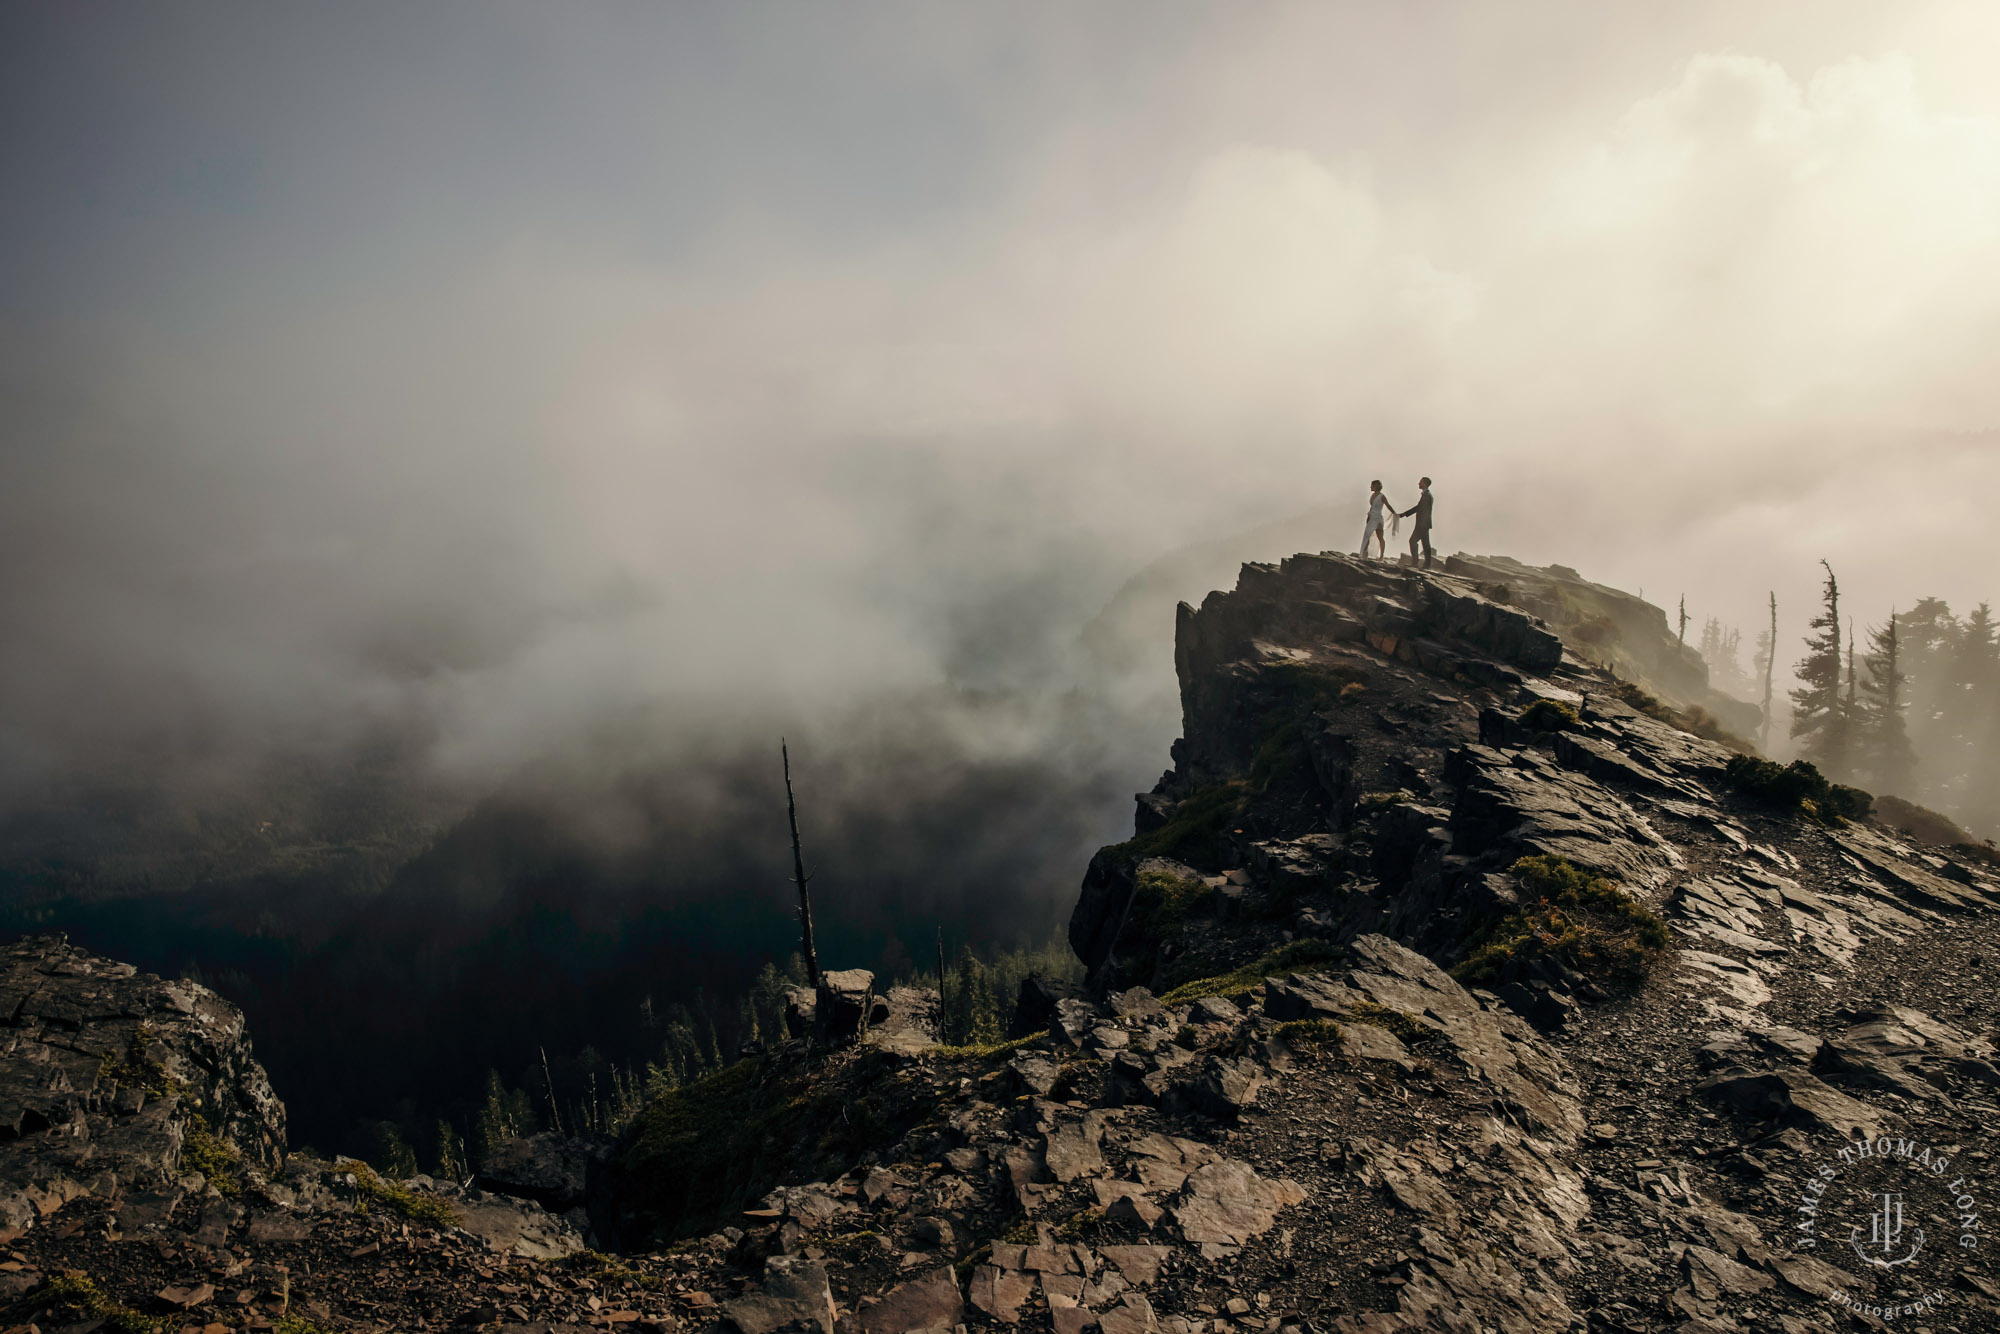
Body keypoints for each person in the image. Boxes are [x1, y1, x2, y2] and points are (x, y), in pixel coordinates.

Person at [1400, 477, 1435, 568]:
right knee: (1426, 544)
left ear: (1425, 484)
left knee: (1413, 541)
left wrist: (1405, 514)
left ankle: (1415, 562)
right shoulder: (1427, 495)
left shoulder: (1426, 495)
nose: (1418, 483)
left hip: (1422, 524)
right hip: (1424, 524)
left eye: (1420, 482)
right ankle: (1426, 564)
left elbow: (1419, 508)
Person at [1357, 480, 1396, 558]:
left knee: (1379, 537)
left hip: (1377, 518)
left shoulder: (1382, 496)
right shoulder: (1372, 495)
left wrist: (1395, 513)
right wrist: (1368, 517)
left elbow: (1388, 505)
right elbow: (1372, 507)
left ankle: (1381, 555)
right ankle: (1365, 553)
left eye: (1372, 485)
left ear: (1375, 486)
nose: (1370, 487)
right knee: (1367, 536)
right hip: (1372, 517)